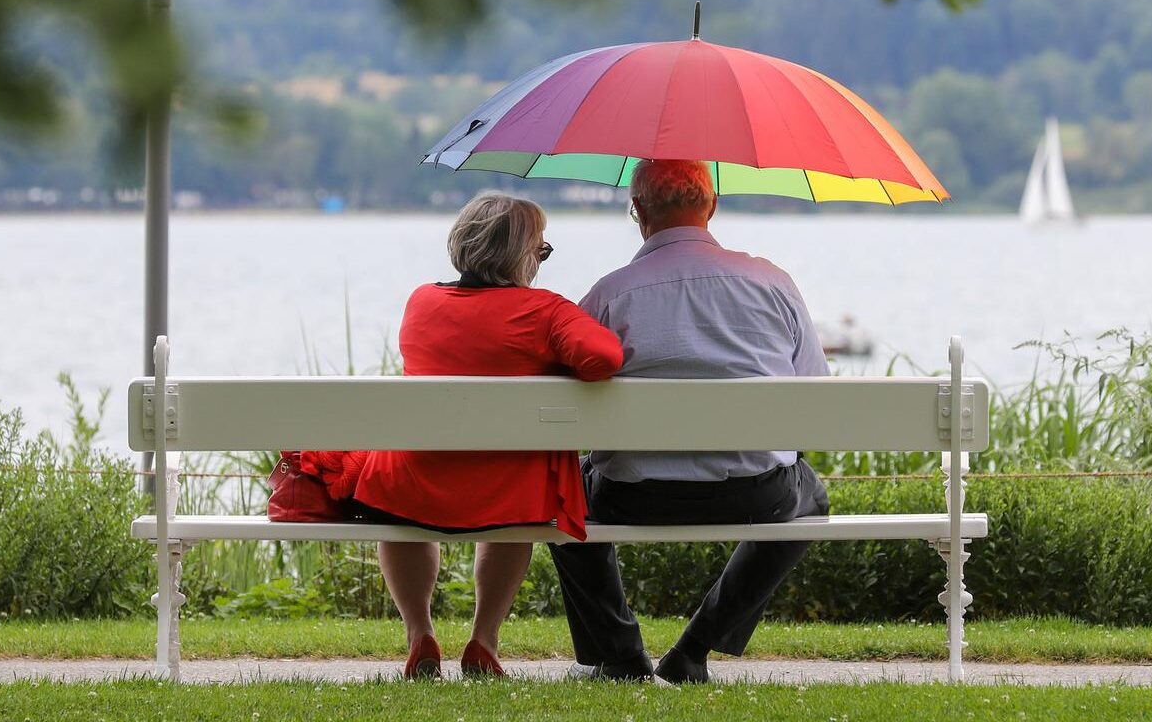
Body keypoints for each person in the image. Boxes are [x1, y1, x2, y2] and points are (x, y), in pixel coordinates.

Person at [549, 159, 831, 684]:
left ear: (638, 211)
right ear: (712, 206)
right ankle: (695, 649)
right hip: (756, 491)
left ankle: (620, 655)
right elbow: (814, 392)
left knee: (561, 496)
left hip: (632, 494)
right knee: (811, 497)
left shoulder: (611, 294)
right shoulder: (773, 283)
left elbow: (560, 397)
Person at [351, 192, 622, 679]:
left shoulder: (422, 302)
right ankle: (484, 640)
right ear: (522, 255)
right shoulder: (545, 313)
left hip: (412, 485)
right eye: (541, 250)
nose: (540, 261)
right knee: (514, 484)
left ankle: (419, 634)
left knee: (402, 483)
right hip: (504, 493)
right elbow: (602, 359)